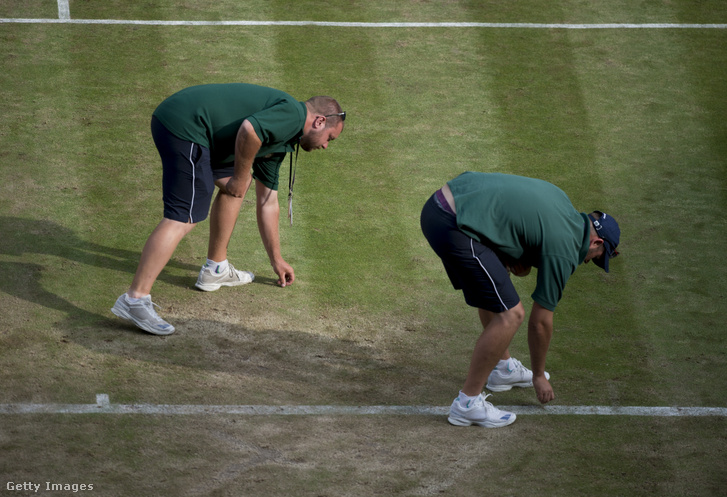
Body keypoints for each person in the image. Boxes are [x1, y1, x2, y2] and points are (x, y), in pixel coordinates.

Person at [112, 83, 346, 335]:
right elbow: (249, 130)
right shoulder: (292, 114)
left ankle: (216, 268)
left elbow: (268, 201)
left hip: (202, 133)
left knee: (238, 184)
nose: (325, 146)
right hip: (185, 124)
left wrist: (276, 260)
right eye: (329, 138)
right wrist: (238, 176)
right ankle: (134, 300)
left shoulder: (283, 140)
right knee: (184, 217)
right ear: (319, 121)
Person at [420, 172, 620, 428]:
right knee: (511, 314)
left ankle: (503, 370)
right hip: (452, 224)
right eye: (596, 256)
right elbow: (541, 322)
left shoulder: (561, 203)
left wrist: (515, 258)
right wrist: (539, 375)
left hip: (442, 206)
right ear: (596, 242)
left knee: (494, 288)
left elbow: (513, 229)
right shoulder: (566, 248)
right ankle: (467, 404)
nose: (588, 261)